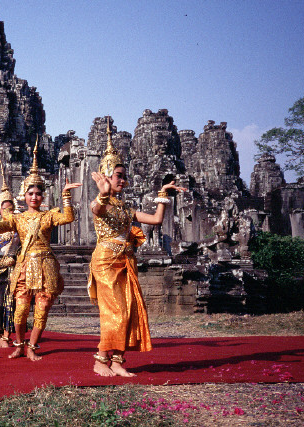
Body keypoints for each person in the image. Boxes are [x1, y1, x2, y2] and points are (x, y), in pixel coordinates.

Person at [88, 121, 187, 377]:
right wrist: (102, 194)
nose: (123, 179)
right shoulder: (103, 203)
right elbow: (95, 210)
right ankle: (100, 359)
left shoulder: (124, 208)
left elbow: (155, 220)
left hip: (126, 261)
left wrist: (163, 195)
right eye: (118, 175)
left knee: (130, 309)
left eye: (124, 175)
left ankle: (118, 360)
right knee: (116, 310)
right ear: (106, 176)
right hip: (105, 261)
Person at [0, 139, 81, 360]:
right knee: (20, 311)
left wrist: (66, 195)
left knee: (42, 309)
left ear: (43, 196)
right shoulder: (16, 219)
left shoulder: (48, 216)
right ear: (24, 194)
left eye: (38, 193)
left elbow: (68, 217)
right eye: (30, 193)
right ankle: (20, 344)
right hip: (24, 266)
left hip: (45, 266)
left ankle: (32, 346)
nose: (34, 197)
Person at [0, 165, 20, 348]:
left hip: (14, 264)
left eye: (10, 208)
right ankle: (1, 332)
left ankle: (7, 335)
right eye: (4, 208)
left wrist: (14, 257)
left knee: (10, 301)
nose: (7, 212)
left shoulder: (18, 226)